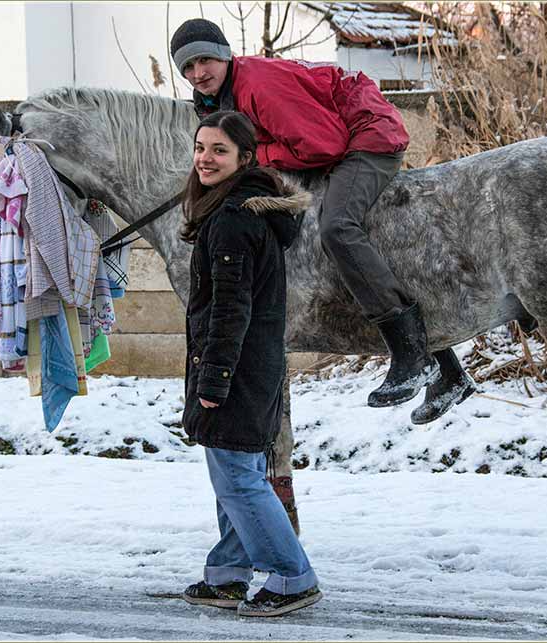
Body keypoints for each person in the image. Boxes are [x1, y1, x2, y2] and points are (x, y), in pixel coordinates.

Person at [170, 18, 476, 416]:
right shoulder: (217, 98)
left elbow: (322, 145)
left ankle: (412, 354)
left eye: (205, 60)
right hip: (333, 144)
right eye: (187, 67)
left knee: (337, 228)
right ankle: (450, 374)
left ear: (225, 55)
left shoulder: (258, 86)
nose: (198, 73)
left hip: (366, 135)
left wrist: (255, 158)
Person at [180, 109, 321, 617]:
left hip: (237, 369)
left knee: (238, 477)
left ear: (244, 158)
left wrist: (214, 379)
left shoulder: (234, 221)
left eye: (219, 150)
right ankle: (229, 573)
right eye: (201, 147)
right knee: (234, 473)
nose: (205, 158)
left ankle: (292, 576)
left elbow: (230, 309)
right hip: (253, 365)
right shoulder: (236, 212)